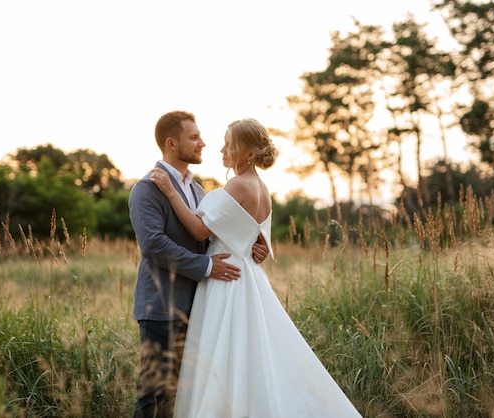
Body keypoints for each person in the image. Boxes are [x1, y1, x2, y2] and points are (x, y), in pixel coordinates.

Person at [150, 118, 362, 417]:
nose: (222, 149)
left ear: (249, 154)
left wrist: (172, 193)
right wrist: (254, 246)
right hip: (247, 272)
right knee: (250, 351)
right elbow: (257, 240)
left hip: (226, 275)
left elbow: (199, 231)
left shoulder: (237, 184)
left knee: (224, 351)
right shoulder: (262, 188)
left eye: (230, 145)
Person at [129, 110, 269, 418]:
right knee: (154, 394)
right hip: (162, 307)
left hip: (201, 307)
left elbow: (208, 237)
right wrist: (207, 267)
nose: (203, 143)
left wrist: (249, 246)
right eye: (194, 138)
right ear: (171, 144)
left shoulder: (197, 190)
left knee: (184, 395)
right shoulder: (147, 187)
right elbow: (153, 245)